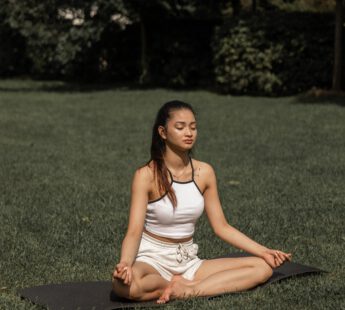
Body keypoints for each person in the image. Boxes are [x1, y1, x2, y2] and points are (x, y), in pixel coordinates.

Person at [112, 100, 292, 304]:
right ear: (163, 132)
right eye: (180, 127)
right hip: (152, 259)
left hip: (189, 261)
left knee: (262, 268)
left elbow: (222, 227)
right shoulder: (146, 175)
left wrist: (264, 251)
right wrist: (126, 263)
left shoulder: (204, 172)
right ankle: (168, 284)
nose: (189, 133)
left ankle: (187, 290)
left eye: (193, 127)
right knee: (122, 285)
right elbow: (134, 231)